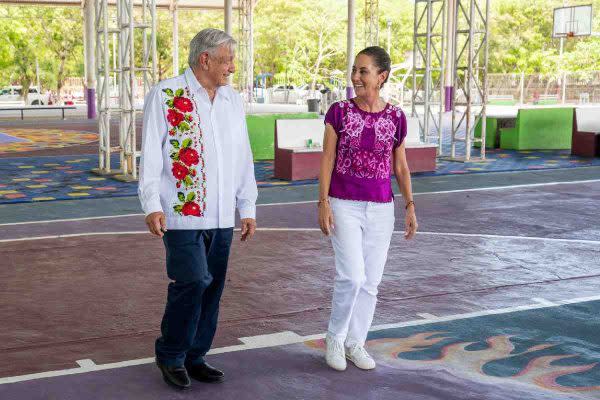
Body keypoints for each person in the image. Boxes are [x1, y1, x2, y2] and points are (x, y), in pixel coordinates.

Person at [138, 28, 258, 389]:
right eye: (227, 60)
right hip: (181, 212)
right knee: (192, 280)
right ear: (205, 59)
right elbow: (151, 153)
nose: (232, 68)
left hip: (222, 215)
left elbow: (243, 156)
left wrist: (247, 205)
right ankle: (171, 353)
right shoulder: (167, 93)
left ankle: (196, 355)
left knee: (213, 288)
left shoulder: (232, 100)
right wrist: (151, 204)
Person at [318, 46, 418, 372]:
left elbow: (401, 167)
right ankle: (335, 336)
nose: (356, 77)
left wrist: (410, 206)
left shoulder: (396, 117)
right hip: (343, 203)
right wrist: (322, 202)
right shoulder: (339, 112)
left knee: (371, 281)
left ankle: (354, 342)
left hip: (381, 208)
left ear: (381, 76)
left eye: (363, 71)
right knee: (352, 276)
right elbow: (327, 159)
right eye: (355, 70)